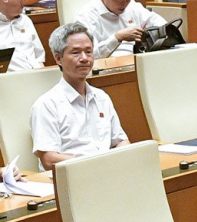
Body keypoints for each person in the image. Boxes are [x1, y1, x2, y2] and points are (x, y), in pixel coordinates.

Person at [31, 22, 130, 169]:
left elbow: (121, 141)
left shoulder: (101, 97)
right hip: (72, 178)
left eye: (89, 51)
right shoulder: (47, 104)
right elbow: (49, 159)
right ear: (58, 59)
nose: (85, 58)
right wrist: (94, 163)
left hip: (107, 172)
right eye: (76, 52)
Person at [79, 0, 166, 56]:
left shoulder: (131, 5)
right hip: (108, 64)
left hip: (138, 58)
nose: (124, 4)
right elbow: (89, 55)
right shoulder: (87, 17)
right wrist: (117, 38)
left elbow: (156, 21)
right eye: (119, 0)